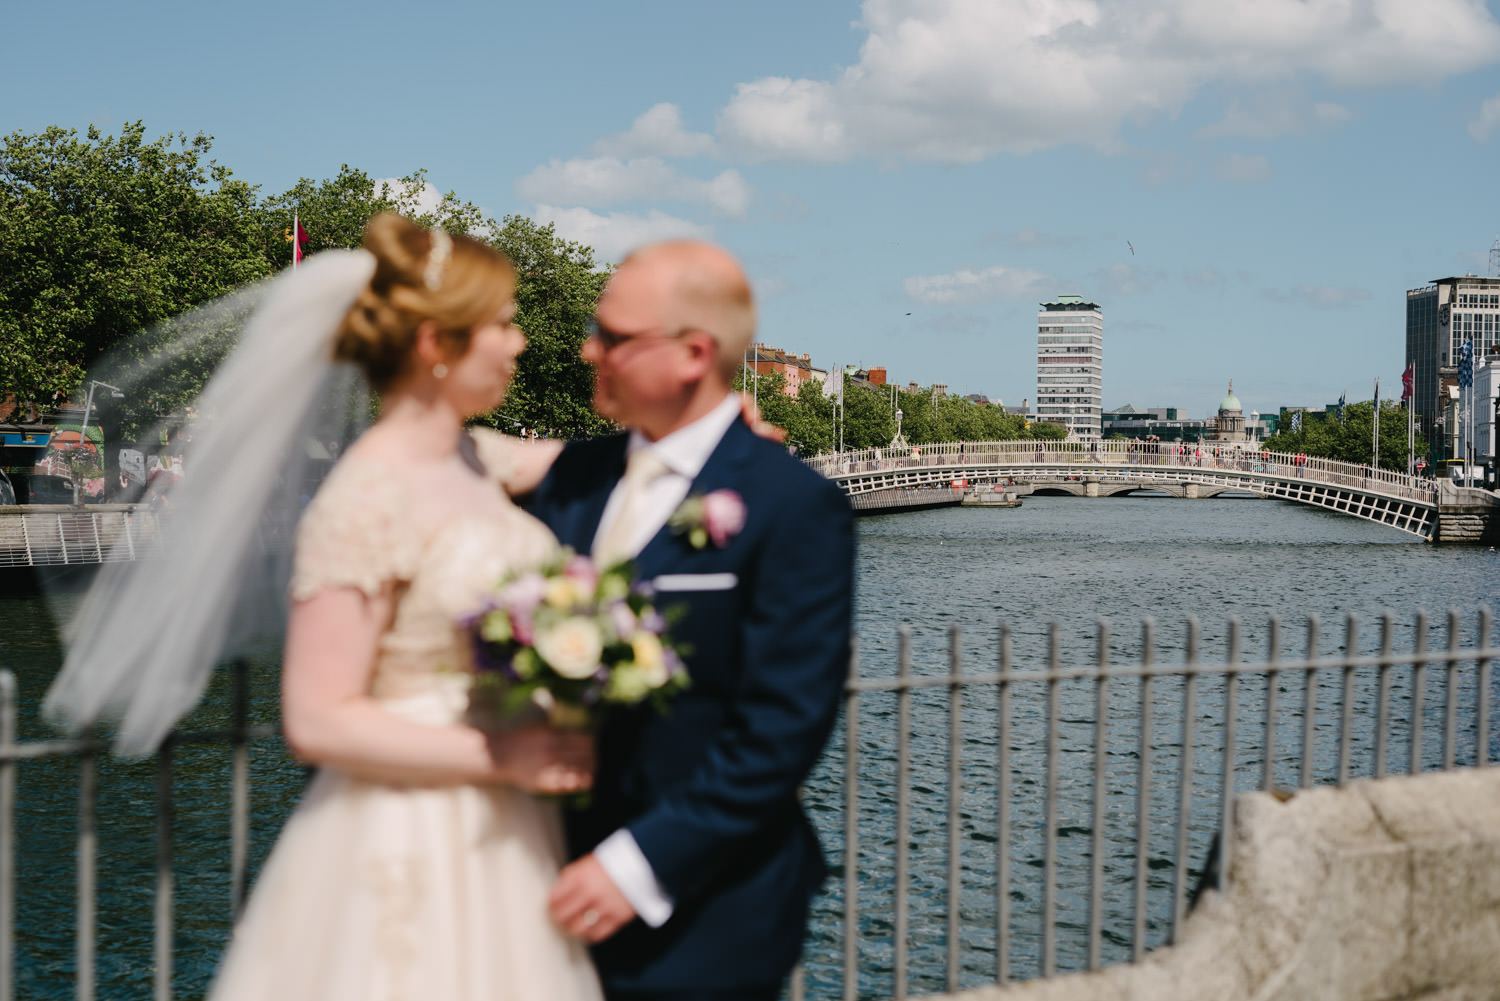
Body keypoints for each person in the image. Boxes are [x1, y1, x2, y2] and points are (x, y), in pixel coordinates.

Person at [46, 215, 603, 1001]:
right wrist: (503, 756)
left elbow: (596, 461)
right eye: (503, 324)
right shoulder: (362, 498)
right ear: (434, 345)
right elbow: (316, 718)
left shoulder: (476, 455)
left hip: (506, 828)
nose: (519, 344)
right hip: (409, 832)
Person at [523, 240, 855, 1001]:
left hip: (706, 905)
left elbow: (780, 729)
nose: (588, 350)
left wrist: (635, 866)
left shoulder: (793, 505)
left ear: (693, 353)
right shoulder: (573, 477)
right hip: (542, 880)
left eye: (611, 336)